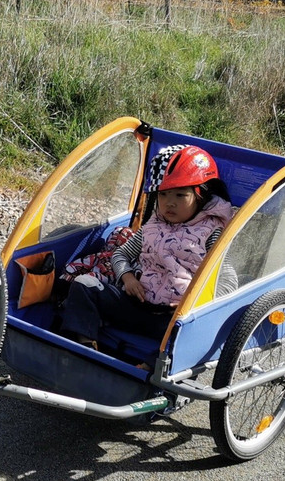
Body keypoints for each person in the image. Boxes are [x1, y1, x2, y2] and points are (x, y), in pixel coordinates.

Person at [57, 144, 233, 353]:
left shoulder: (211, 233)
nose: (169, 203)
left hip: (172, 321)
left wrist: (193, 305)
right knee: (83, 284)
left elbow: (228, 282)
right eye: (163, 195)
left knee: (190, 335)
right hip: (136, 306)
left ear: (200, 195)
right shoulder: (152, 226)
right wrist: (127, 277)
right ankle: (85, 347)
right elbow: (121, 254)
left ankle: (151, 367)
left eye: (180, 195)